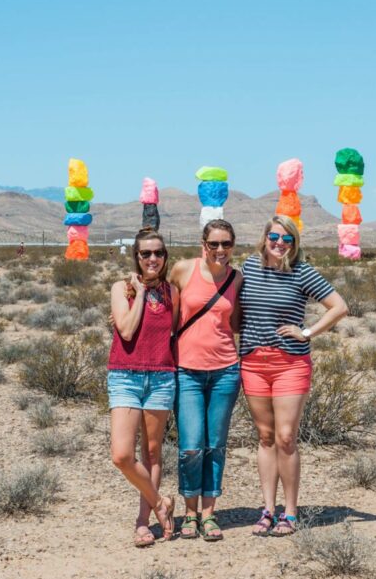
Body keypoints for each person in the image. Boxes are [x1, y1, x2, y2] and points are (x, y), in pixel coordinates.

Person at [239, 216, 348, 537]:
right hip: (253, 363)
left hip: (290, 364)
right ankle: (267, 510)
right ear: (264, 237)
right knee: (265, 437)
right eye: (274, 236)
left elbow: (338, 306)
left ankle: (290, 512)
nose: (280, 243)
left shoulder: (301, 271)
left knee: (286, 437)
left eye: (287, 239)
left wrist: (307, 331)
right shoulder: (247, 268)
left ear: (294, 243)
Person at [168, 219, 242, 541]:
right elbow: (165, 314)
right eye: (214, 244)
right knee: (190, 446)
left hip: (226, 370)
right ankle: (189, 512)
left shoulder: (237, 278)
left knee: (215, 445)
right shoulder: (183, 271)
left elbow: (237, 322)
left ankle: (209, 514)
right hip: (187, 370)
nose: (221, 250)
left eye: (226, 244)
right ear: (203, 244)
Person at [108, 228, 178, 546]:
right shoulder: (121, 288)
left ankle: (143, 521)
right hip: (125, 376)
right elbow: (125, 329)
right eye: (146, 253)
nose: (153, 259)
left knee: (152, 451)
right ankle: (161, 502)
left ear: (165, 257)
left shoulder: (172, 293)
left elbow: (177, 332)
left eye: (158, 253)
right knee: (122, 454)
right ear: (136, 256)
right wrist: (139, 294)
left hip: (161, 376)